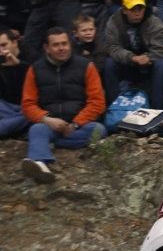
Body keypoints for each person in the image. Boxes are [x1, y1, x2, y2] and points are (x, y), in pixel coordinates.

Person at [20, 27, 107, 183]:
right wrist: (47, 119)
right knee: (36, 129)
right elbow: (28, 105)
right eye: (56, 45)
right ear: (47, 48)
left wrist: (75, 124)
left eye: (64, 43)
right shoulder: (35, 70)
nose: (61, 48)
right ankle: (40, 163)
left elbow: (97, 102)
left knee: (99, 130)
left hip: (79, 126)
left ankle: (47, 145)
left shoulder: (86, 66)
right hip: (49, 124)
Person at [103, 0, 163, 108]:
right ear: (124, 10)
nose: (137, 13)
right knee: (109, 63)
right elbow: (112, 47)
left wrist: (148, 57)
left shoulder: (154, 22)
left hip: (150, 63)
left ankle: (158, 109)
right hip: (127, 63)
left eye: (140, 9)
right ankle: (114, 109)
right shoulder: (113, 21)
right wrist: (132, 58)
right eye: (132, 9)